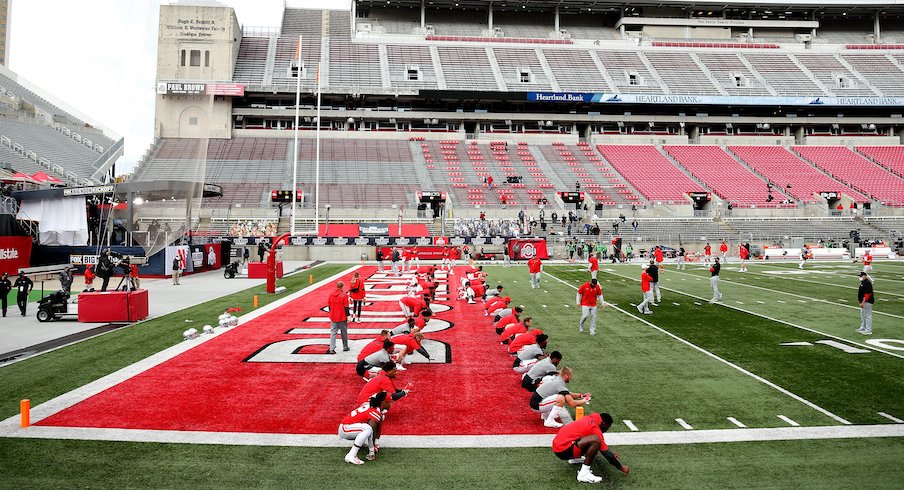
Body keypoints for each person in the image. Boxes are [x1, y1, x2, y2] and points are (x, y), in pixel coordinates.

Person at [552, 412, 630, 484]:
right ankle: (584, 474)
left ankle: (575, 458)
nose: (606, 430)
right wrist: (621, 468)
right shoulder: (595, 428)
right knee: (595, 441)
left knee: (590, 438)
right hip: (563, 451)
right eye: (607, 427)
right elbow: (606, 453)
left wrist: (611, 452)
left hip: (559, 446)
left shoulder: (592, 417)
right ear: (603, 423)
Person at [339, 391, 392, 465]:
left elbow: (378, 428)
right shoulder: (375, 412)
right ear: (384, 403)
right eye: (390, 402)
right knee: (368, 429)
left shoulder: (376, 409)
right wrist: (371, 450)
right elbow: (371, 431)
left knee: (368, 428)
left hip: (349, 427)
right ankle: (351, 455)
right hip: (345, 428)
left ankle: (359, 446)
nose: (391, 404)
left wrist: (375, 444)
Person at [327, 281, 351, 354]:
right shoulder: (344, 295)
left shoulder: (331, 295)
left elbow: (329, 306)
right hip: (342, 316)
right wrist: (348, 315)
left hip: (333, 317)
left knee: (333, 333)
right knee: (344, 332)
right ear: (342, 286)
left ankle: (331, 348)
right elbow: (346, 307)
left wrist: (331, 313)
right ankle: (345, 346)